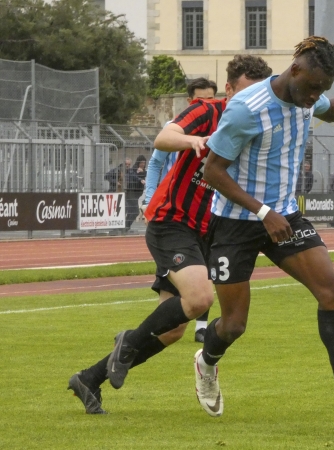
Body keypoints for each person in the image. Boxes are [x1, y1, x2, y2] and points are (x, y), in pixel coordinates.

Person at [67, 55, 273, 415]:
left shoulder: (260, 124)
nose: (253, 102)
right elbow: (163, 137)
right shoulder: (208, 111)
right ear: (228, 90)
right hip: (173, 222)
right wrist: (193, 140)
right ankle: (127, 342)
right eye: (246, 93)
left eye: (260, 95)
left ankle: (89, 378)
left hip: (208, 232)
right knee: (199, 300)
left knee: (172, 329)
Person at [199, 36, 334, 422]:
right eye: (312, 87)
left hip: (284, 217)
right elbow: (212, 171)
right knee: (233, 325)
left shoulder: (307, 95)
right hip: (236, 221)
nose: (314, 96)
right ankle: (206, 362)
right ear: (295, 69)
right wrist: (262, 211)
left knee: (332, 290)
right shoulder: (246, 109)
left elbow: (331, 111)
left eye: (321, 89)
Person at [142, 77, 219, 343]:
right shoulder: (177, 127)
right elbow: (156, 163)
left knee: (201, 275)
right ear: (191, 102)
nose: (207, 104)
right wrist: (149, 197)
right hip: (173, 212)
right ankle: (134, 341)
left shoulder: (221, 124)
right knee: (194, 284)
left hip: (203, 214)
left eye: (211, 99)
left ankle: (200, 326)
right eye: (201, 100)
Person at [125, 156, 146, 232]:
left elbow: (144, 175)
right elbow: (133, 176)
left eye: (144, 162)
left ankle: (126, 227)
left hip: (137, 193)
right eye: (141, 162)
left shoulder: (144, 170)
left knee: (131, 210)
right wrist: (138, 174)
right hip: (131, 192)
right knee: (135, 211)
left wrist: (142, 172)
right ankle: (126, 226)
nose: (142, 164)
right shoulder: (133, 169)